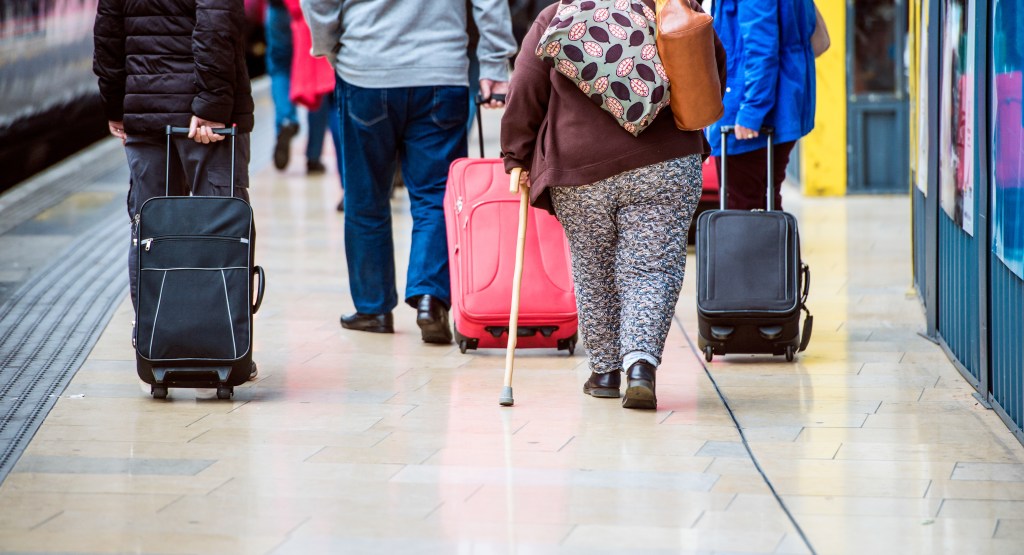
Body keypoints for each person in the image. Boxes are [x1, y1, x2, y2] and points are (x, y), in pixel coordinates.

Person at [500, 0, 726, 409]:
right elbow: (711, 68)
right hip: (665, 161)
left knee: (594, 268)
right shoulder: (671, 6)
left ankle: (604, 372)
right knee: (651, 268)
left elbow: (524, 87)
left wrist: (516, 155)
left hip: (580, 167)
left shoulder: (558, 15)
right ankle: (640, 365)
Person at [302, 0, 517, 344]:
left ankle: (373, 308)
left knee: (365, 196)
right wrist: (493, 63)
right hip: (441, 73)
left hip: (365, 68)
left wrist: (331, 47)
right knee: (434, 195)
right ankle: (431, 298)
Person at [93, 0, 257, 378]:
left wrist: (118, 103)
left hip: (146, 110)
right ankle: (221, 351)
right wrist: (214, 104)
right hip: (203, 123)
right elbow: (217, 22)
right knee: (222, 231)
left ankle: (155, 345)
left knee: (149, 231)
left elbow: (108, 33)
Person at [706, 0, 818, 210]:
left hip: (750, 110)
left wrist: (751, 112)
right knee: (766, 204)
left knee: (742, 209)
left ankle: (751, 244)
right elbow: (817, 39)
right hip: (783, 101)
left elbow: (761, 48)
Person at [266, 0, 338, 175]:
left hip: (279, 9)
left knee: (280, 68)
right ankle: (313, 156)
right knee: (318, 81)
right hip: (309, 11)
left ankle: (286, 119)